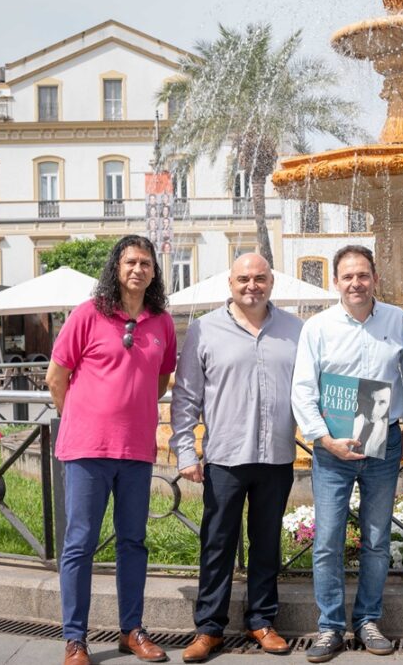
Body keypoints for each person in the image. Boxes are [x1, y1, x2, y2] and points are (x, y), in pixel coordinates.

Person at [46, 235, 177, 665]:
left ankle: (131, 630)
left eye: (145, 263)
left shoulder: (162, 323)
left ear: (154, 272)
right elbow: (56, 377)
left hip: (136, 450)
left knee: (133, 542)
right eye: (130, 262)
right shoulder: (88, 314)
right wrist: (83, 419)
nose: (138, 269)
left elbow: (160, 380)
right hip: (86, 450)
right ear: (116, 269)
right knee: (79, 543)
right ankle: (75, 639)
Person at [170, 253, 303, 663]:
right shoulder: (204, 329)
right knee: (217, 543)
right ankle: (209, 628)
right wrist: (185, 452)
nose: (252, 285)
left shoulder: (296, 330)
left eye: (259, 278)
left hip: (278, 455)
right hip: (225, 456)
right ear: (230, 283)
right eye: (244, 278)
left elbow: (312, 390)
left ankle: (261, 621)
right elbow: (186, 397)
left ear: (271, 283)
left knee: (266, 544)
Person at [291, 245, 403, 663]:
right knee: (326, 541)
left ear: (375, 278)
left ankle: (367, 620)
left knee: (378, 540)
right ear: (336, 282)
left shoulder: (398, 320)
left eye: (363, 275)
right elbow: (304, 390)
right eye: (347, 276)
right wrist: (324, 439)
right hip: (331, 450)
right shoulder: (318, 326)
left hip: (384, 446)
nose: (355, 283)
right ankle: (329, 627)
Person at [354, 382, 392, 459]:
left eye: (382, 402)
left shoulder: (387, 429)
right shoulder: (352, 420)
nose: (374, 410)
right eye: (370, 400)